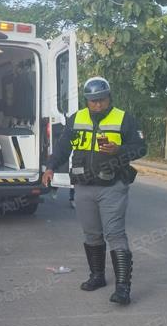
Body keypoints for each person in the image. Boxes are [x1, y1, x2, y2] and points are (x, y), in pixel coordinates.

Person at [42, 77, 146, 305]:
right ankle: (97, 276)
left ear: (109, 98)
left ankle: (122, 288)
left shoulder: (124, 118)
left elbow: (140, 149)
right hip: (83, 186)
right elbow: (62, 146)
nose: (98, 105)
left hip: (113, 187)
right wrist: (50, 167)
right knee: (92, 235)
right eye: (93, 101)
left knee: (115, 234)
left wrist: (119, 150)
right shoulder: (76, 118)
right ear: (86, 101)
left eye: (101, 100)